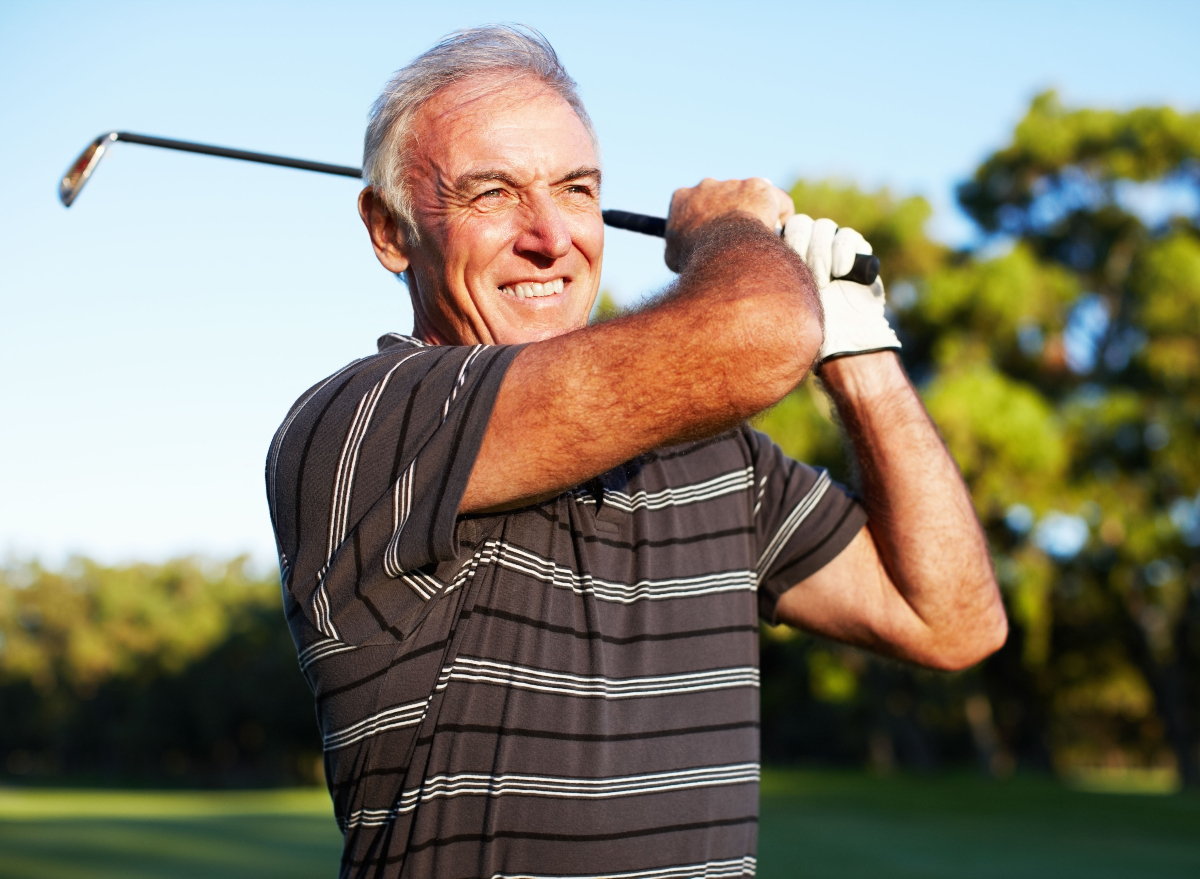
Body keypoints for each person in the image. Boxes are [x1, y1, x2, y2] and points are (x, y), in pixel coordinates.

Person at [265, 24, 1007, 879]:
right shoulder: (363, 427)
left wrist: (858, 346)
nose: (550, 236)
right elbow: (758, 331)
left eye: (576, 189)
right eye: (491, 194)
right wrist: (729, 237)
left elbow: (953, 620)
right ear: (389, 230)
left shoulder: (718, 458)